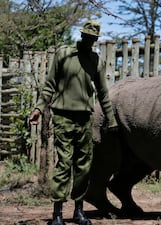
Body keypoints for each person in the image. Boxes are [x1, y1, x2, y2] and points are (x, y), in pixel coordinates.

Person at [29, 20, 118, 225]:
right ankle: (57, 214)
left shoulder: (96, 60)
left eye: (92, 38)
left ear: (96, 40)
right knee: (64, 163)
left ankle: (79, 211)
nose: (89, 41)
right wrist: (38, 108)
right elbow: (49, 84)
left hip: (85, 118)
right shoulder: (64, 54)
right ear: (81, 35)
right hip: (63, 116)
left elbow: (103, 94)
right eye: (86, 36)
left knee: (84, 166)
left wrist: (111, 121)